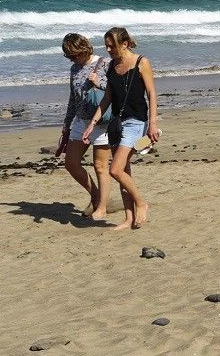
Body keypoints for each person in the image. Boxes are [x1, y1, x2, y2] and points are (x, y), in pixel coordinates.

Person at [82, 27, 160, 230]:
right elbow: (108, 98)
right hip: (117, 123)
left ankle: (142, 203)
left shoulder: (142, 62)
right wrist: (92, 124)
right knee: (124, 170)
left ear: (124, 44)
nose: (108, 49)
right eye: (106, 45)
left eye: (112, 45)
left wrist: (152, 124)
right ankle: (128, 218)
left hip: (136, 122)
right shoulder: (111, 67)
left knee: (114, 169)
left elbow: (151, 94)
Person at [57, 33, 111, 220]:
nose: (73, 59)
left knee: (100, 166)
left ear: (84, 49)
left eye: (75, 55)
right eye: (69, 56)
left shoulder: (104, 63)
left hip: (102, 121)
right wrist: (66, 125)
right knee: (71, 163)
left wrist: (100, 82)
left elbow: (118, 91)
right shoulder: (74, 68)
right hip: (81, 121)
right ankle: (96, 196)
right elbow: (73, 99)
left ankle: (102, 207)